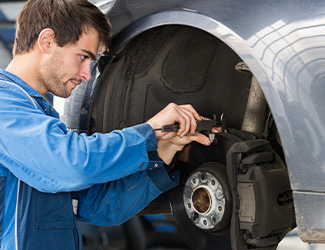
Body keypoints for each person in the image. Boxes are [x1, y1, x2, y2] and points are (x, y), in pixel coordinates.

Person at [0, 0, 215, 249]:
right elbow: (72, 164)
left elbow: (97, 208)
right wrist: (149, 133)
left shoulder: (39, 115)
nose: (87, 74)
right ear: (47, 41)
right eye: (82, 57)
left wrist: (164, 150)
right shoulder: (5, 104)